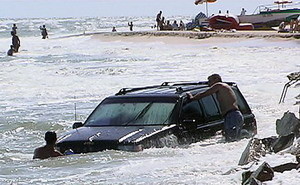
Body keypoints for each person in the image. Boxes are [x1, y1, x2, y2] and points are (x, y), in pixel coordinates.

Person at [187, 74, 244, 142]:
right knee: (233, 141)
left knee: (231, 140)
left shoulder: (219, 85)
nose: (208, 84)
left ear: (216, 79)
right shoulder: (225, 87)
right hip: (233, 115)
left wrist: (192, 98)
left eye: (209, 81)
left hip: (232, 116)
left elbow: (205, 94)